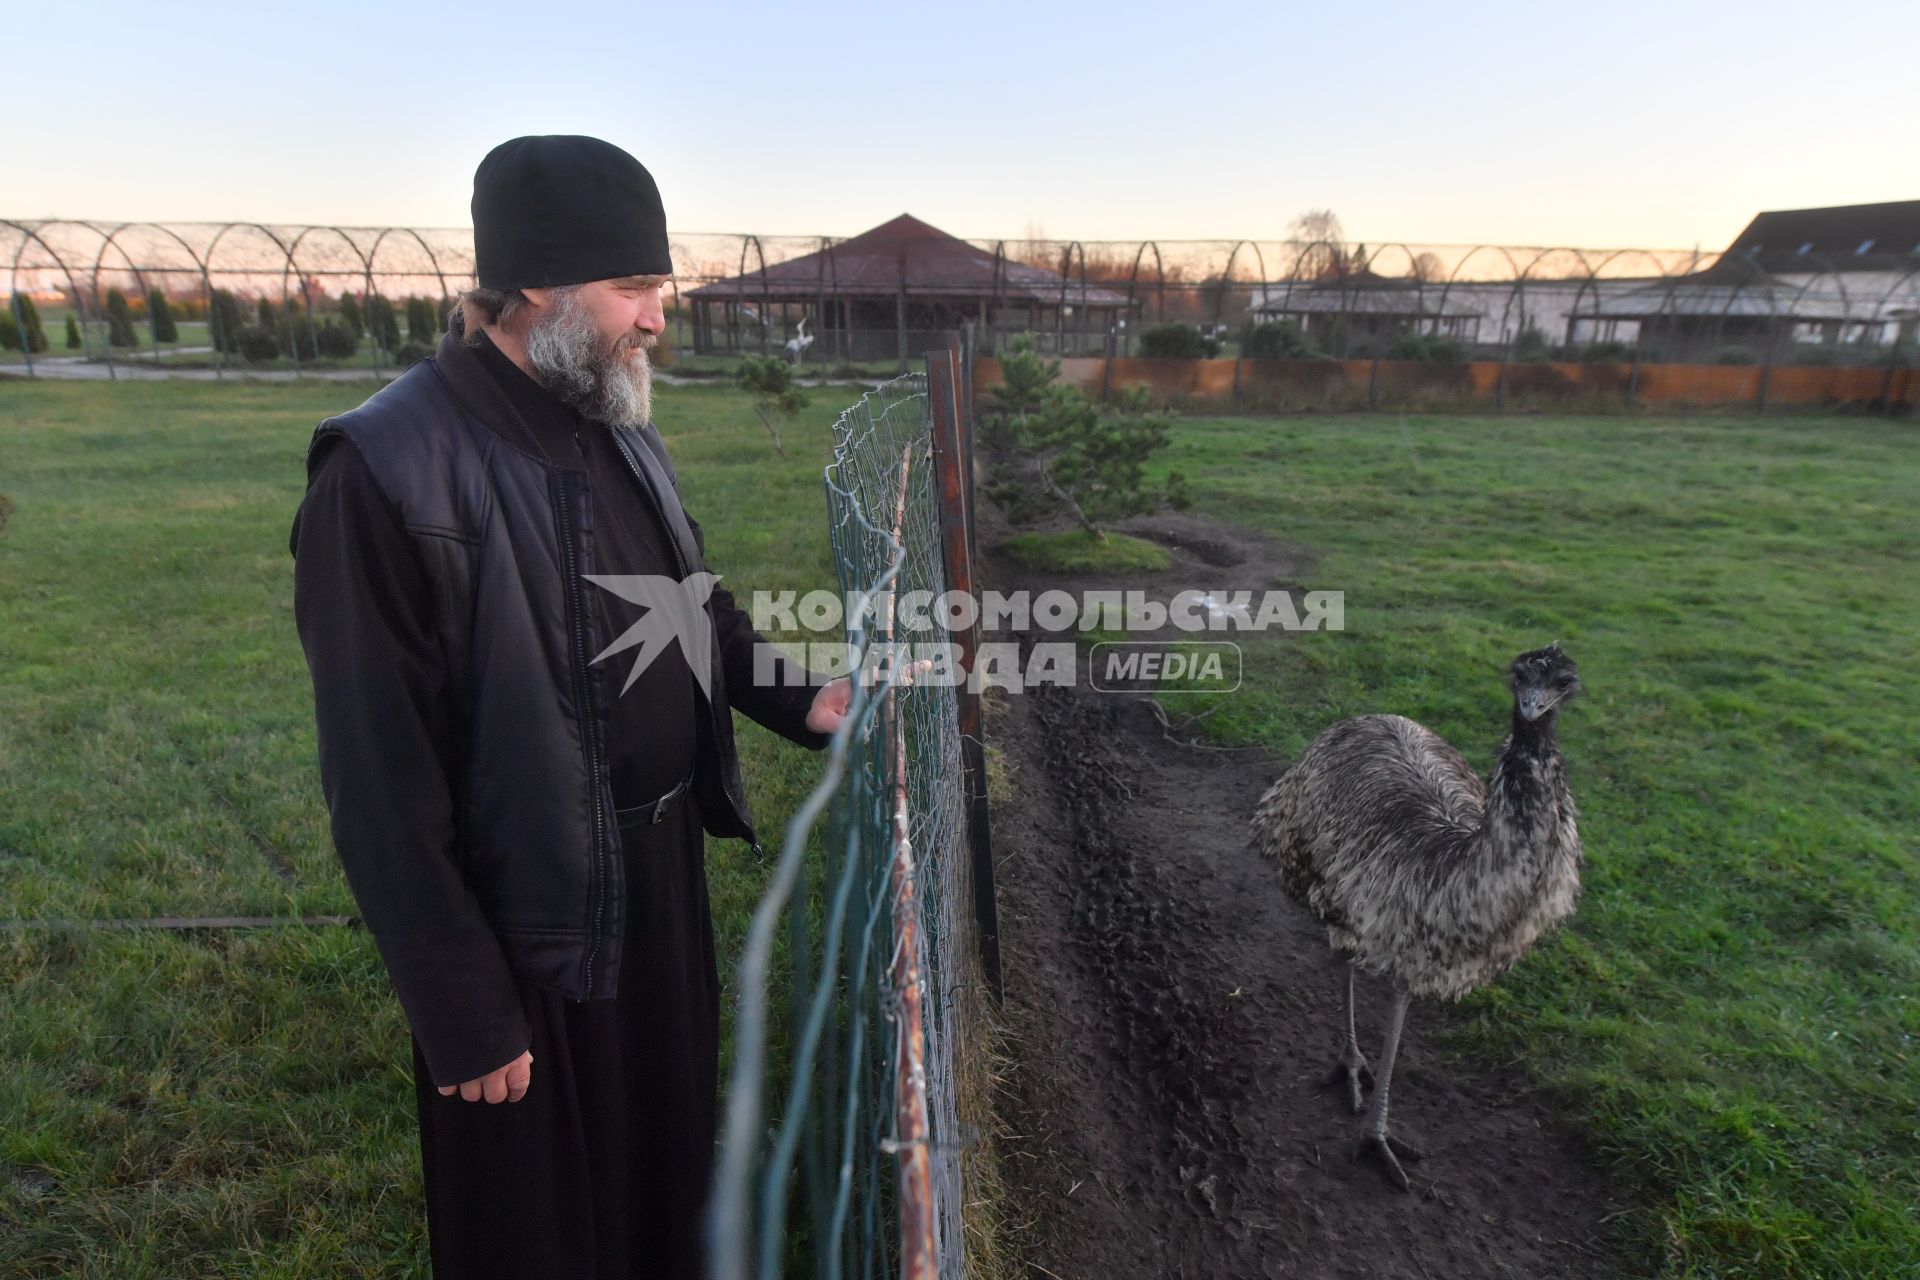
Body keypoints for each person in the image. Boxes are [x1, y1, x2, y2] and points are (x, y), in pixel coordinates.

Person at [288, 134, 857, 1279]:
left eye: (660, 288)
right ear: (536, 285)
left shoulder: (610, 418)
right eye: (635, 289)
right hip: (523, 917)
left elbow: (690, 607)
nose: (658, 318)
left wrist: (808, 700)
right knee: (535, 1224)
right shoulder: (387, 471)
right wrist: (459, 1001)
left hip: (654, 885)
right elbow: (376, 772)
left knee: (661, 1179)